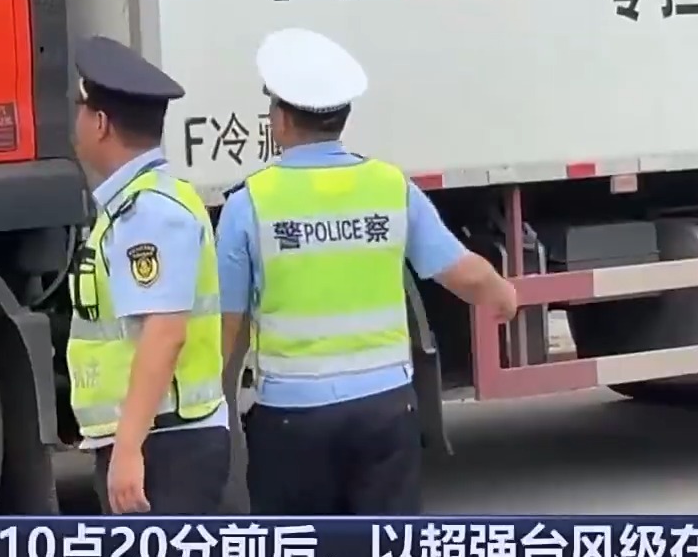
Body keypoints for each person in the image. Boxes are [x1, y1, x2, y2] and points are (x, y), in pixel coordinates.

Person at [217, 27, 520, 515]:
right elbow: (461, 271)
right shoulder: (390, 187)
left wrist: (215, 406)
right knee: (384, 551)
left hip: (293, 420)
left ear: (281, 120)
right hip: (385, 409)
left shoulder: (248, 203)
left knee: (298, 553)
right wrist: (502, 295)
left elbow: (226, 327)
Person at [67, 34, 232, 514]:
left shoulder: (148, 212)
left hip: (165, 442)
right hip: (160, 435)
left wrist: (127, 449)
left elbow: (165, 332)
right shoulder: (138, 202)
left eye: (81, 109)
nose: (76, 122)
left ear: (101, 124)